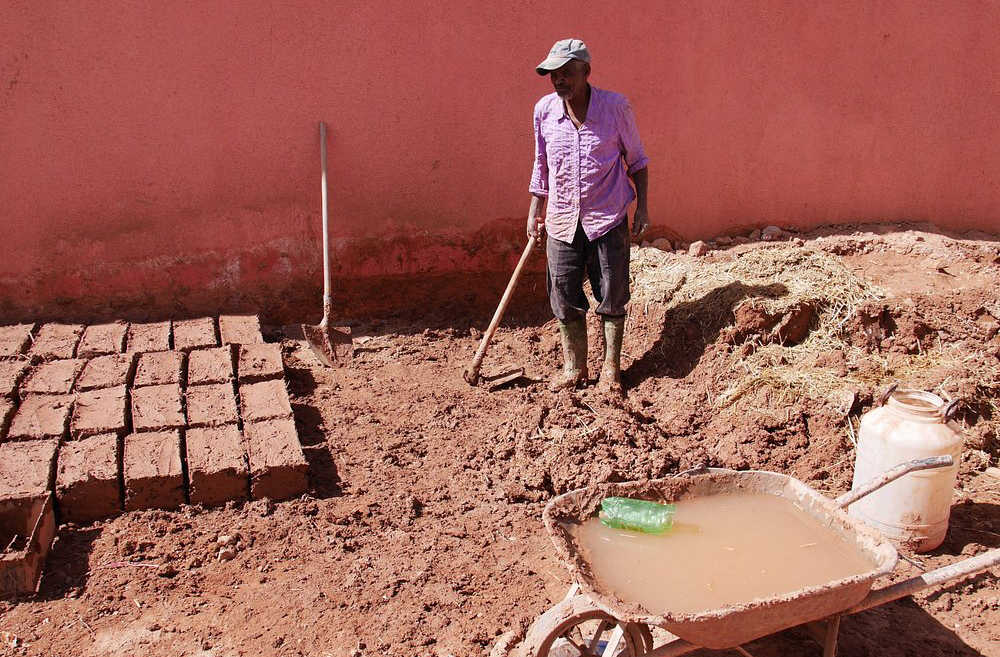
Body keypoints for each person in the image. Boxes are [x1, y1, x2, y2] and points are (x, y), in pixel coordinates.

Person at [527, 38, 649, 393]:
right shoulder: (544, 111)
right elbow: (542, 165)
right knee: (562, 292)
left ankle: (611, 368)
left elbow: (637, 160)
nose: (559, 80)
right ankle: (574, 367)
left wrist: (642, 206)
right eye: (553, 74)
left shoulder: (615, 108)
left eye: (567, 72)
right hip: (562, 220)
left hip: (607, 218)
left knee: (612, 293)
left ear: (586, 72)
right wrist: (535, 211)